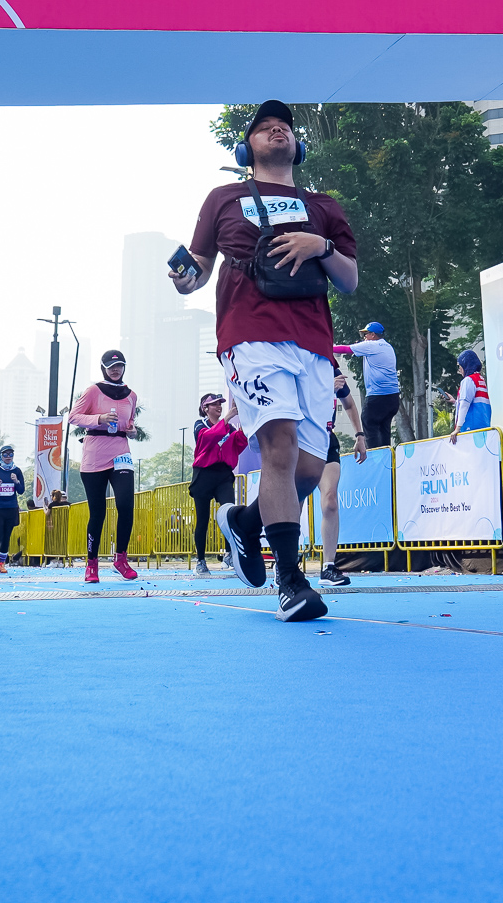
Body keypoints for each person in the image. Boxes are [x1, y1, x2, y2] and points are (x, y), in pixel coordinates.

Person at [172, 99, 359, 622]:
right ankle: (291, 581)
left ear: (299, 146)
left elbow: (349, 279)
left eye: (285, 127)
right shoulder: (223, 198)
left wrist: (320, 245)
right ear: (245, 147)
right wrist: (186, 278)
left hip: (314, 343)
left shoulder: (323, 206)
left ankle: (247, 522)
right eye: (265, 127)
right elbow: (199, 266)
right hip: (249, 334)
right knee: (278, 447)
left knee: (309, 469)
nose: (278, 131)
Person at [68, 350, 140, 583]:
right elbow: (73, 417)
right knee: (97, 512)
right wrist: (98, 419)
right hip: (95, 454)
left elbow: (130, 422)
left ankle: (121, 559)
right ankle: (92, 564)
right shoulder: (93, 391)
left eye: (119, 366)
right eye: (111, 366)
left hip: (121, 453)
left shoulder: (131, 396)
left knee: (126, 505)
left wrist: (132, 430)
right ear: (103, 368)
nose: (115, 370)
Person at [315, 373, 367, 586]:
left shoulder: (333, 370)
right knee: (294, 501)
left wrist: (360, 436)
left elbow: (350, 404)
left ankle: (328, 567)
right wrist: (325, 390)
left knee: (330, 500)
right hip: (301, 439)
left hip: (326, 441)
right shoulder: (301, 362)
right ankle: (285, 564)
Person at [189, 394, 246, 577]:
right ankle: (201, 561)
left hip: (223, 475)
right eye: (214, 404)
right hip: (203, 474)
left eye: (220, 404)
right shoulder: (200, 425)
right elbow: (207, 438)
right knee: (203, 519)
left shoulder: (229, 428)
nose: (219, 407)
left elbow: (240, 443)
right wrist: (228, 417)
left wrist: (244, 418)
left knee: (229, 514)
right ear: (205, 408)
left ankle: (230, 555)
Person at [334, 321, 399, 448]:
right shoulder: (388, 346)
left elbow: (344, 349)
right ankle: (385, 457)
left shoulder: (371, 345)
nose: (364, 337)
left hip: (378, 397)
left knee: (369, 424)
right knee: (384, 430)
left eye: (366, 334)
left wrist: (325, 348)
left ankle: (374, 456)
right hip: (393, 398)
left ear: (373, 335)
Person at [0, 445, 27, 572]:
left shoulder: (17, 471)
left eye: (11, 454)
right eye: (5, 454)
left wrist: (16, 481)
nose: (8, 457)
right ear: (1, 456)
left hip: (11, 507)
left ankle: (2, 563)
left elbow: (21, 490)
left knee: (6, 536)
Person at [449, 350, 490, 441]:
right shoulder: (480, 379)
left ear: (466, 365)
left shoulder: (468, 380)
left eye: (460, 366)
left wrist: (457, 429)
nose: (459, 369)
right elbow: (475, 403)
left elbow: (464, 405)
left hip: (470, 429)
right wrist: (455, 402)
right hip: (483, 428)